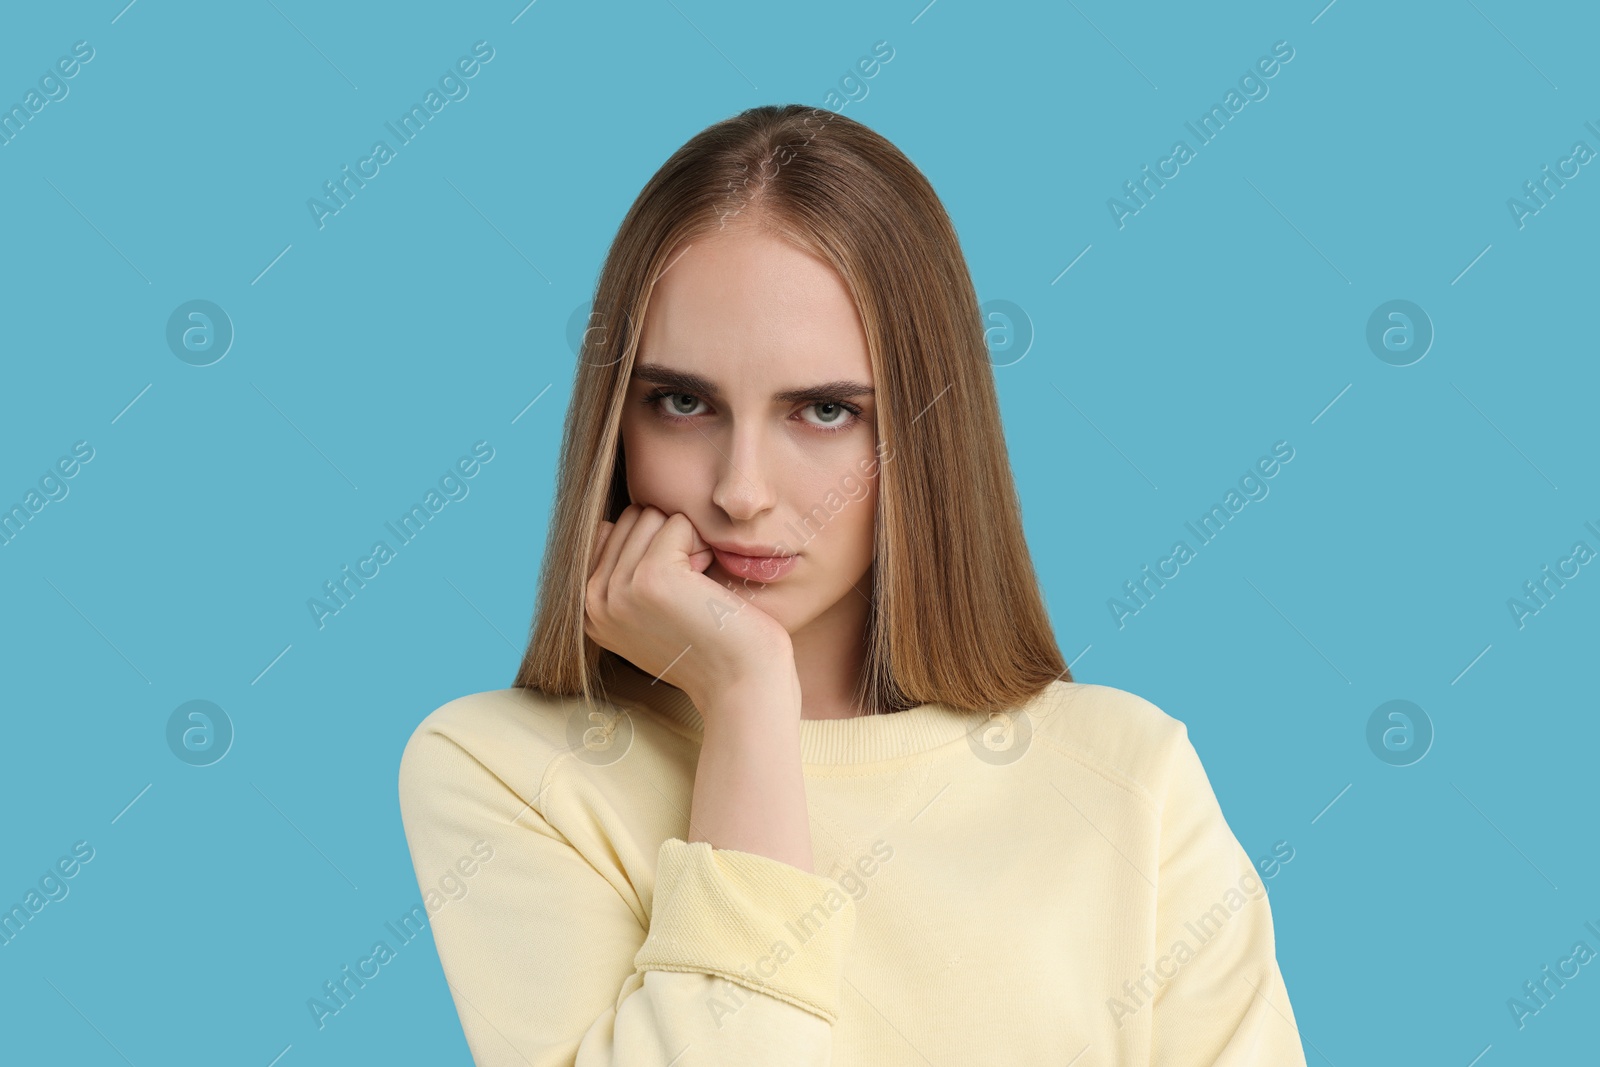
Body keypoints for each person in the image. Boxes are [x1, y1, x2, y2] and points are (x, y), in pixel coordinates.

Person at [398, 103, 1307, 1065]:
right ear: (616, 421)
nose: (739, 491)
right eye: (682, 401)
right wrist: (748, 699)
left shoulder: (1130, 779)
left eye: (824, 411)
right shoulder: (508, 775)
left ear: (926, 435)